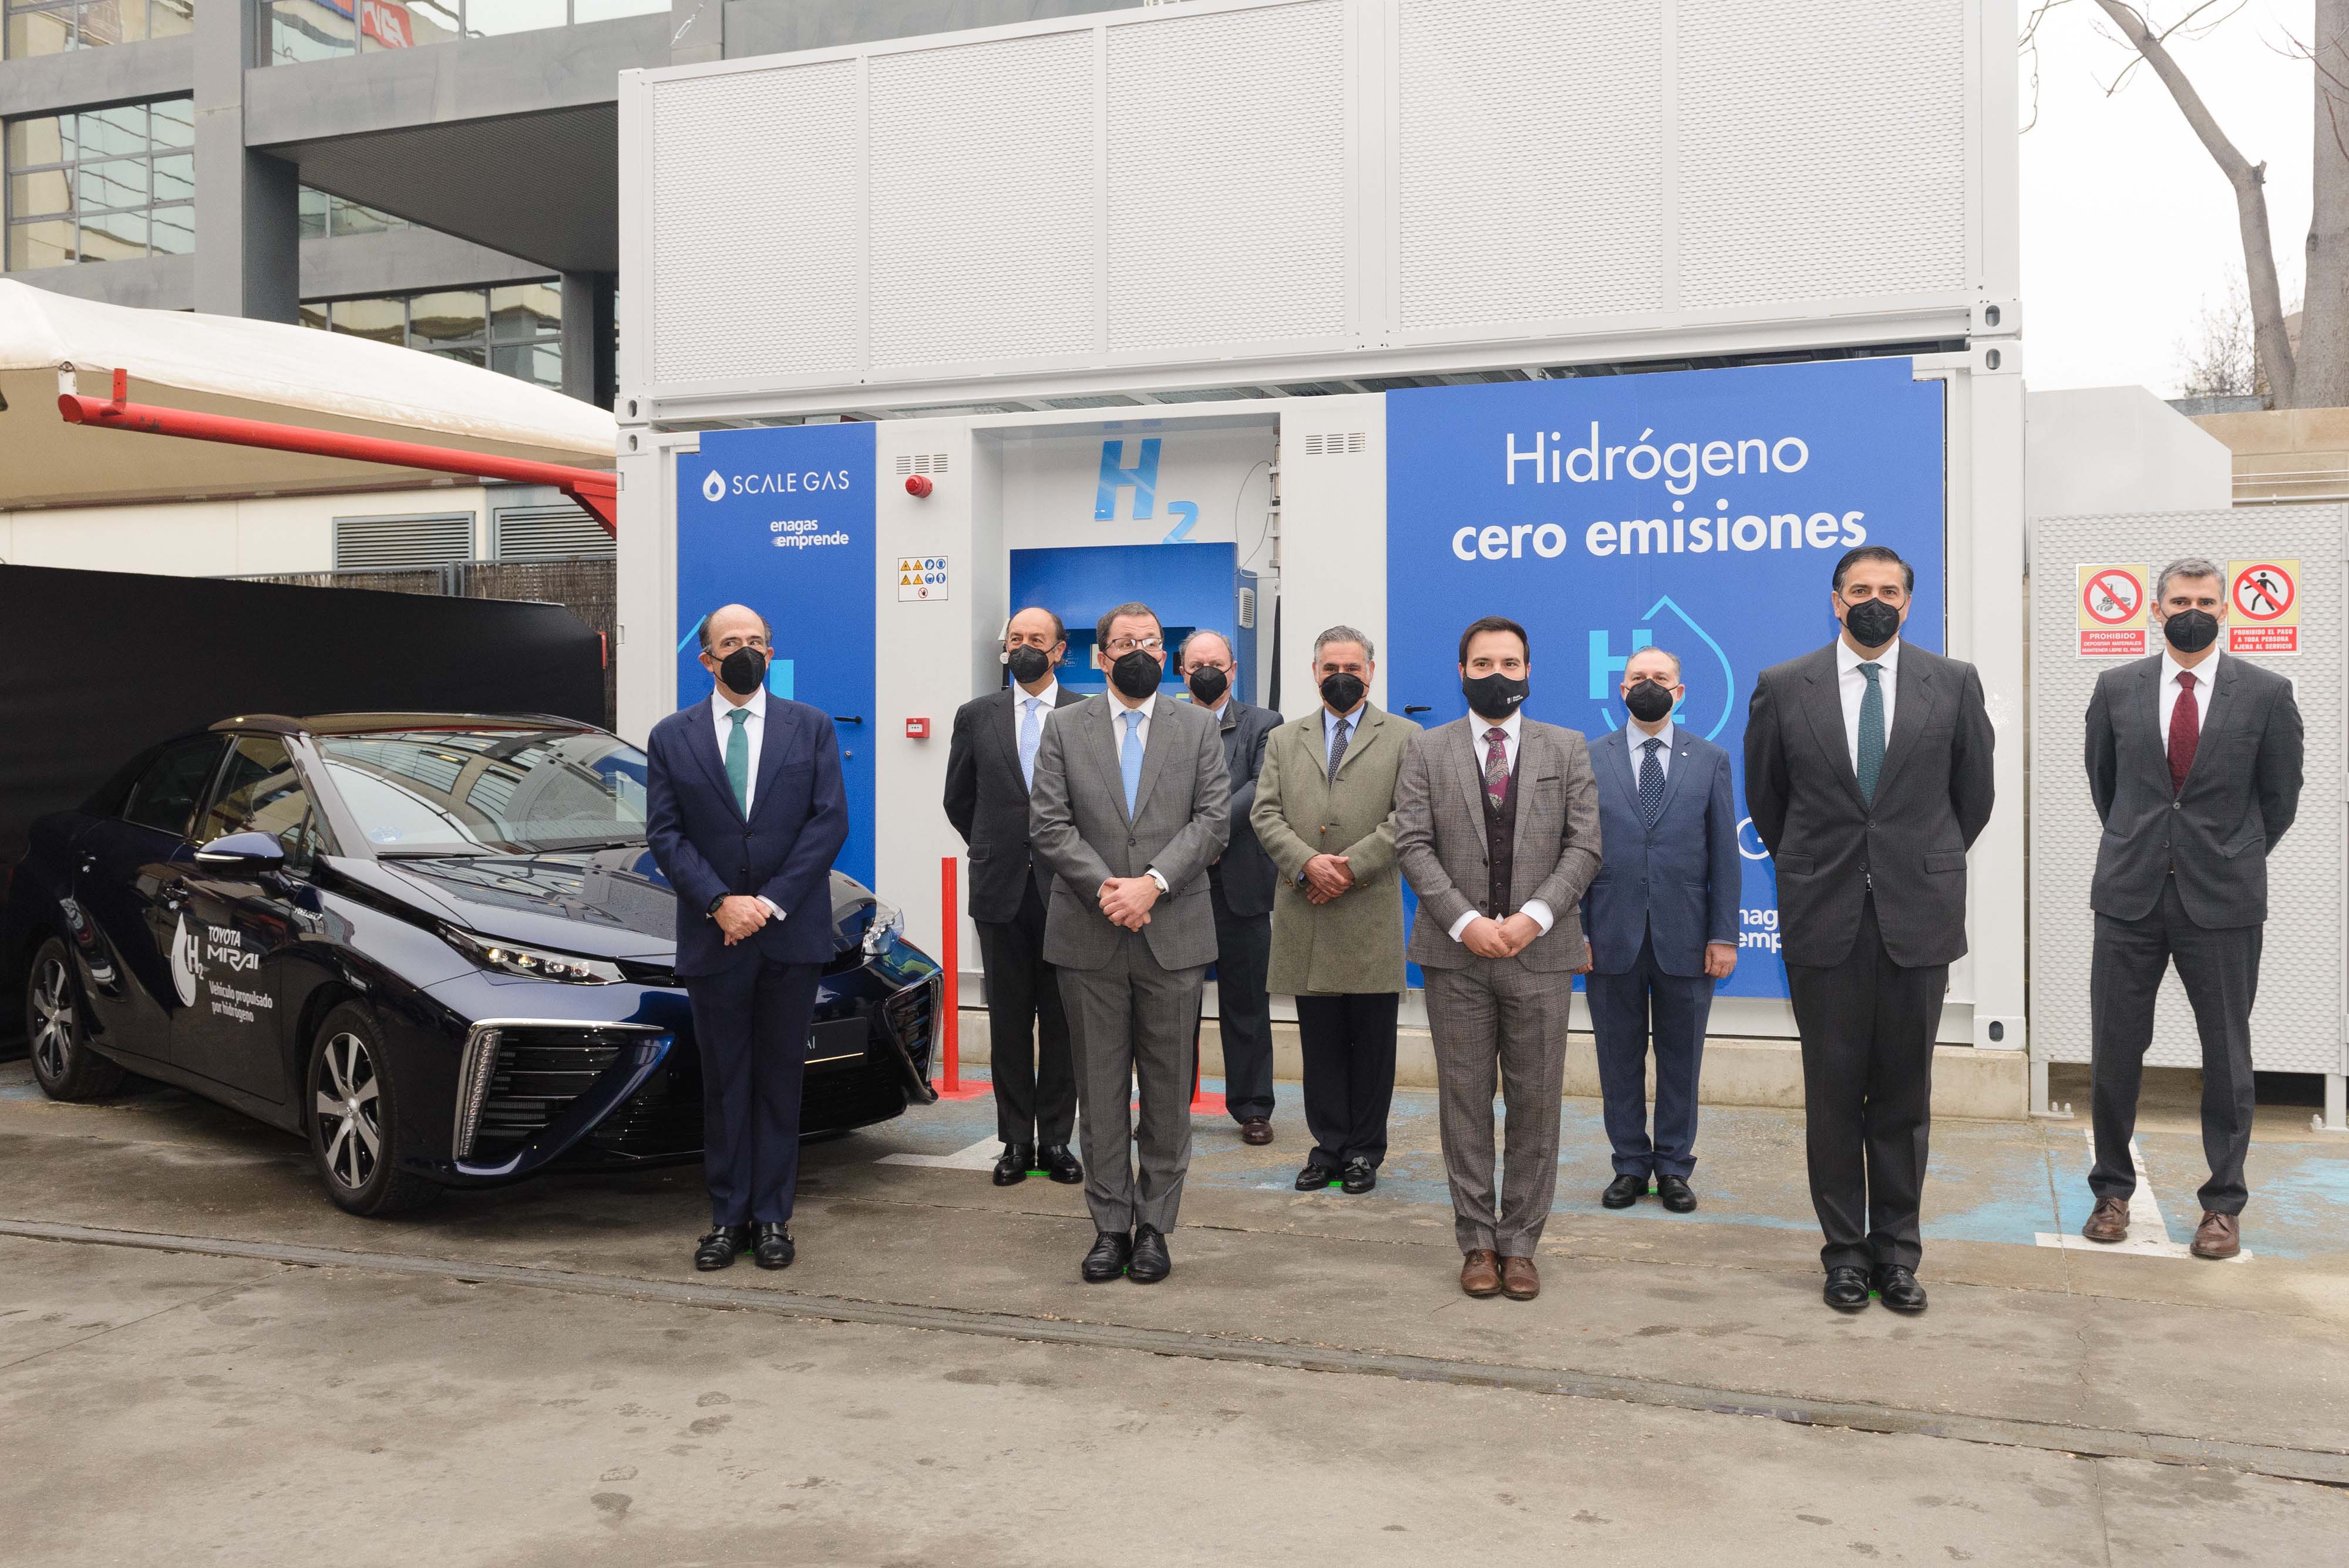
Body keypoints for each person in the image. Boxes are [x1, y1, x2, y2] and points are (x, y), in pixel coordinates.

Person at [1744, 546, 1994, 1315]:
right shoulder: (1785, 687)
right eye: (1860, 589)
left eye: (1889, 590)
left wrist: (1912, 862)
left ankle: (1898, 1251)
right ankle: (1844, 1253)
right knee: (1832, 1092)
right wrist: (1824, 868)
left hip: (1917, 917)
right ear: (1835, 599)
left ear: (1909, 603)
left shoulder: (1952, 683)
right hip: (1824, 921)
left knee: (1903, 1096)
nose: (1874, 600)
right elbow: (1768, 803)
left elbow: (1972, 799)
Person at [2081, 557, 2304, 1261]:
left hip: (2223, 900)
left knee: (2228, 1058)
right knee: (2115, 1051)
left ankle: (2221, 1206)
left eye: (2205, 600)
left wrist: (2229, 852)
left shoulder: (2267, 693)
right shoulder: (2115, 688)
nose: (2192, 610)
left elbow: (2280, 798)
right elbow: (2105, 784)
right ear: (2155, 609)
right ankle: (2111, 1192)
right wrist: (2145, 843)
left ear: (2225, 609)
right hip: (2129, 896)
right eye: (2179, 599)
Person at [1394, 615, 1601, 1302]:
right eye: (1482, 664)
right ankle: (1476, 1242)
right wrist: (1465, 923)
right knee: (1464, 1104)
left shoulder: (1567, 748)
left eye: (1510, 663)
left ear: (1529, 671)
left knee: (1537, 1106)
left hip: (1539, 956)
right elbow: (1413, 845)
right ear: (1461, 673)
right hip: (1457, 957)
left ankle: (1521, 1245)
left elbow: (1584, 848)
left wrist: (1531, 919)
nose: (1497, 675)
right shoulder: (1426, 750)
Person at [1028, 601, 1230, 1284]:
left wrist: (1152, 884)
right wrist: (1111, 890)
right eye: (1123, 642)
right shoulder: (1063, 726)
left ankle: (1155, 1228)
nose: (1136, 650)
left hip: (1173, 932)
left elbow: (1212, 823)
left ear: (1163, 652)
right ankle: (1109, 1226)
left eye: (1148, 639)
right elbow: (1049, 826)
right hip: (1089, 935)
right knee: (1101, 1090)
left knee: (1169, 1095)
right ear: (1100, 655)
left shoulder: (1199, 727)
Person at [645, 604, 849, 1273]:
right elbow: (665, 834)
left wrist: (767, 903)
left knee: (778, 1082)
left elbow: (828, 825)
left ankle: (772, 1219)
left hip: (788, 935)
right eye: (731, 643)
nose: (745, 652)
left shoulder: (810, 727)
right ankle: (725, 1218)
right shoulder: (672, 736)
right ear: (705, 658)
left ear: (771, 652)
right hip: (715, 938)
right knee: (726, 1081)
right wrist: (717, 903)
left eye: (756, 642)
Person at [1251, 625, 1419, 1194]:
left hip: (1367, 910)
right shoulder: (1284, 738)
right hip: (1306, 909)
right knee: (1318, 1041)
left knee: (1372, 1044)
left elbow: (1409, 817)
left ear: (1371, 672)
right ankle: (1327, 1147)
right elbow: (1264, 814)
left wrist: (1347, 867)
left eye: (1352, 666)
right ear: (1314, 671)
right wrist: (1306, 864)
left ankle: (1364, 1153)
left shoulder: (1404, 736)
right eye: (1330, 667)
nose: (1341, 676)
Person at [1581, 645, 1741, 1214]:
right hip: (1606, 938)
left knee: (1681, 1060)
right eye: (1637, 678)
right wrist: (1574, 932)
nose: (1649, 685)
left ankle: (1674, 1167)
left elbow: (1726, 853)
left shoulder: (1711, 758)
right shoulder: (1588, 756)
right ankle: (1628, 1165)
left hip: (1688, 938)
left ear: (1679, 692)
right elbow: (1572, 851)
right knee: (1616, 1059)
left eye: (1661, 678)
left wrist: (1724, 935)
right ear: (1620, 690)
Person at [943, 607, 1086, 1187]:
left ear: (1060, 651)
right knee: (1006, 1021)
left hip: (1068, 891)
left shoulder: (1087, 713)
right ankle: (1013, 1141)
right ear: (1005, 648)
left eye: (1037, 639)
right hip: (1000, 887)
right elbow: (958, 798)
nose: (1025, 646)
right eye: (1016, 638)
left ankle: (1055, 1141)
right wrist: (994, 845)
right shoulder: (976, 715)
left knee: (1062, 1022)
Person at [1176, 629, 1282, 1144]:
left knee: (1247, 1005)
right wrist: (1191, 849)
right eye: (1197, 664)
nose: (1207, 672)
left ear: (1233, 669)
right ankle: (1168, 1108)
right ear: (1181, 671)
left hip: (1239, 885)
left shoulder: (1264, 724)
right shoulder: (1163, 723)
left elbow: (1262, 787)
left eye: (1215, 663)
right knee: (1172, 1008)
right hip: (1177, 887)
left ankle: (1254, 1108)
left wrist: (1209, 835)